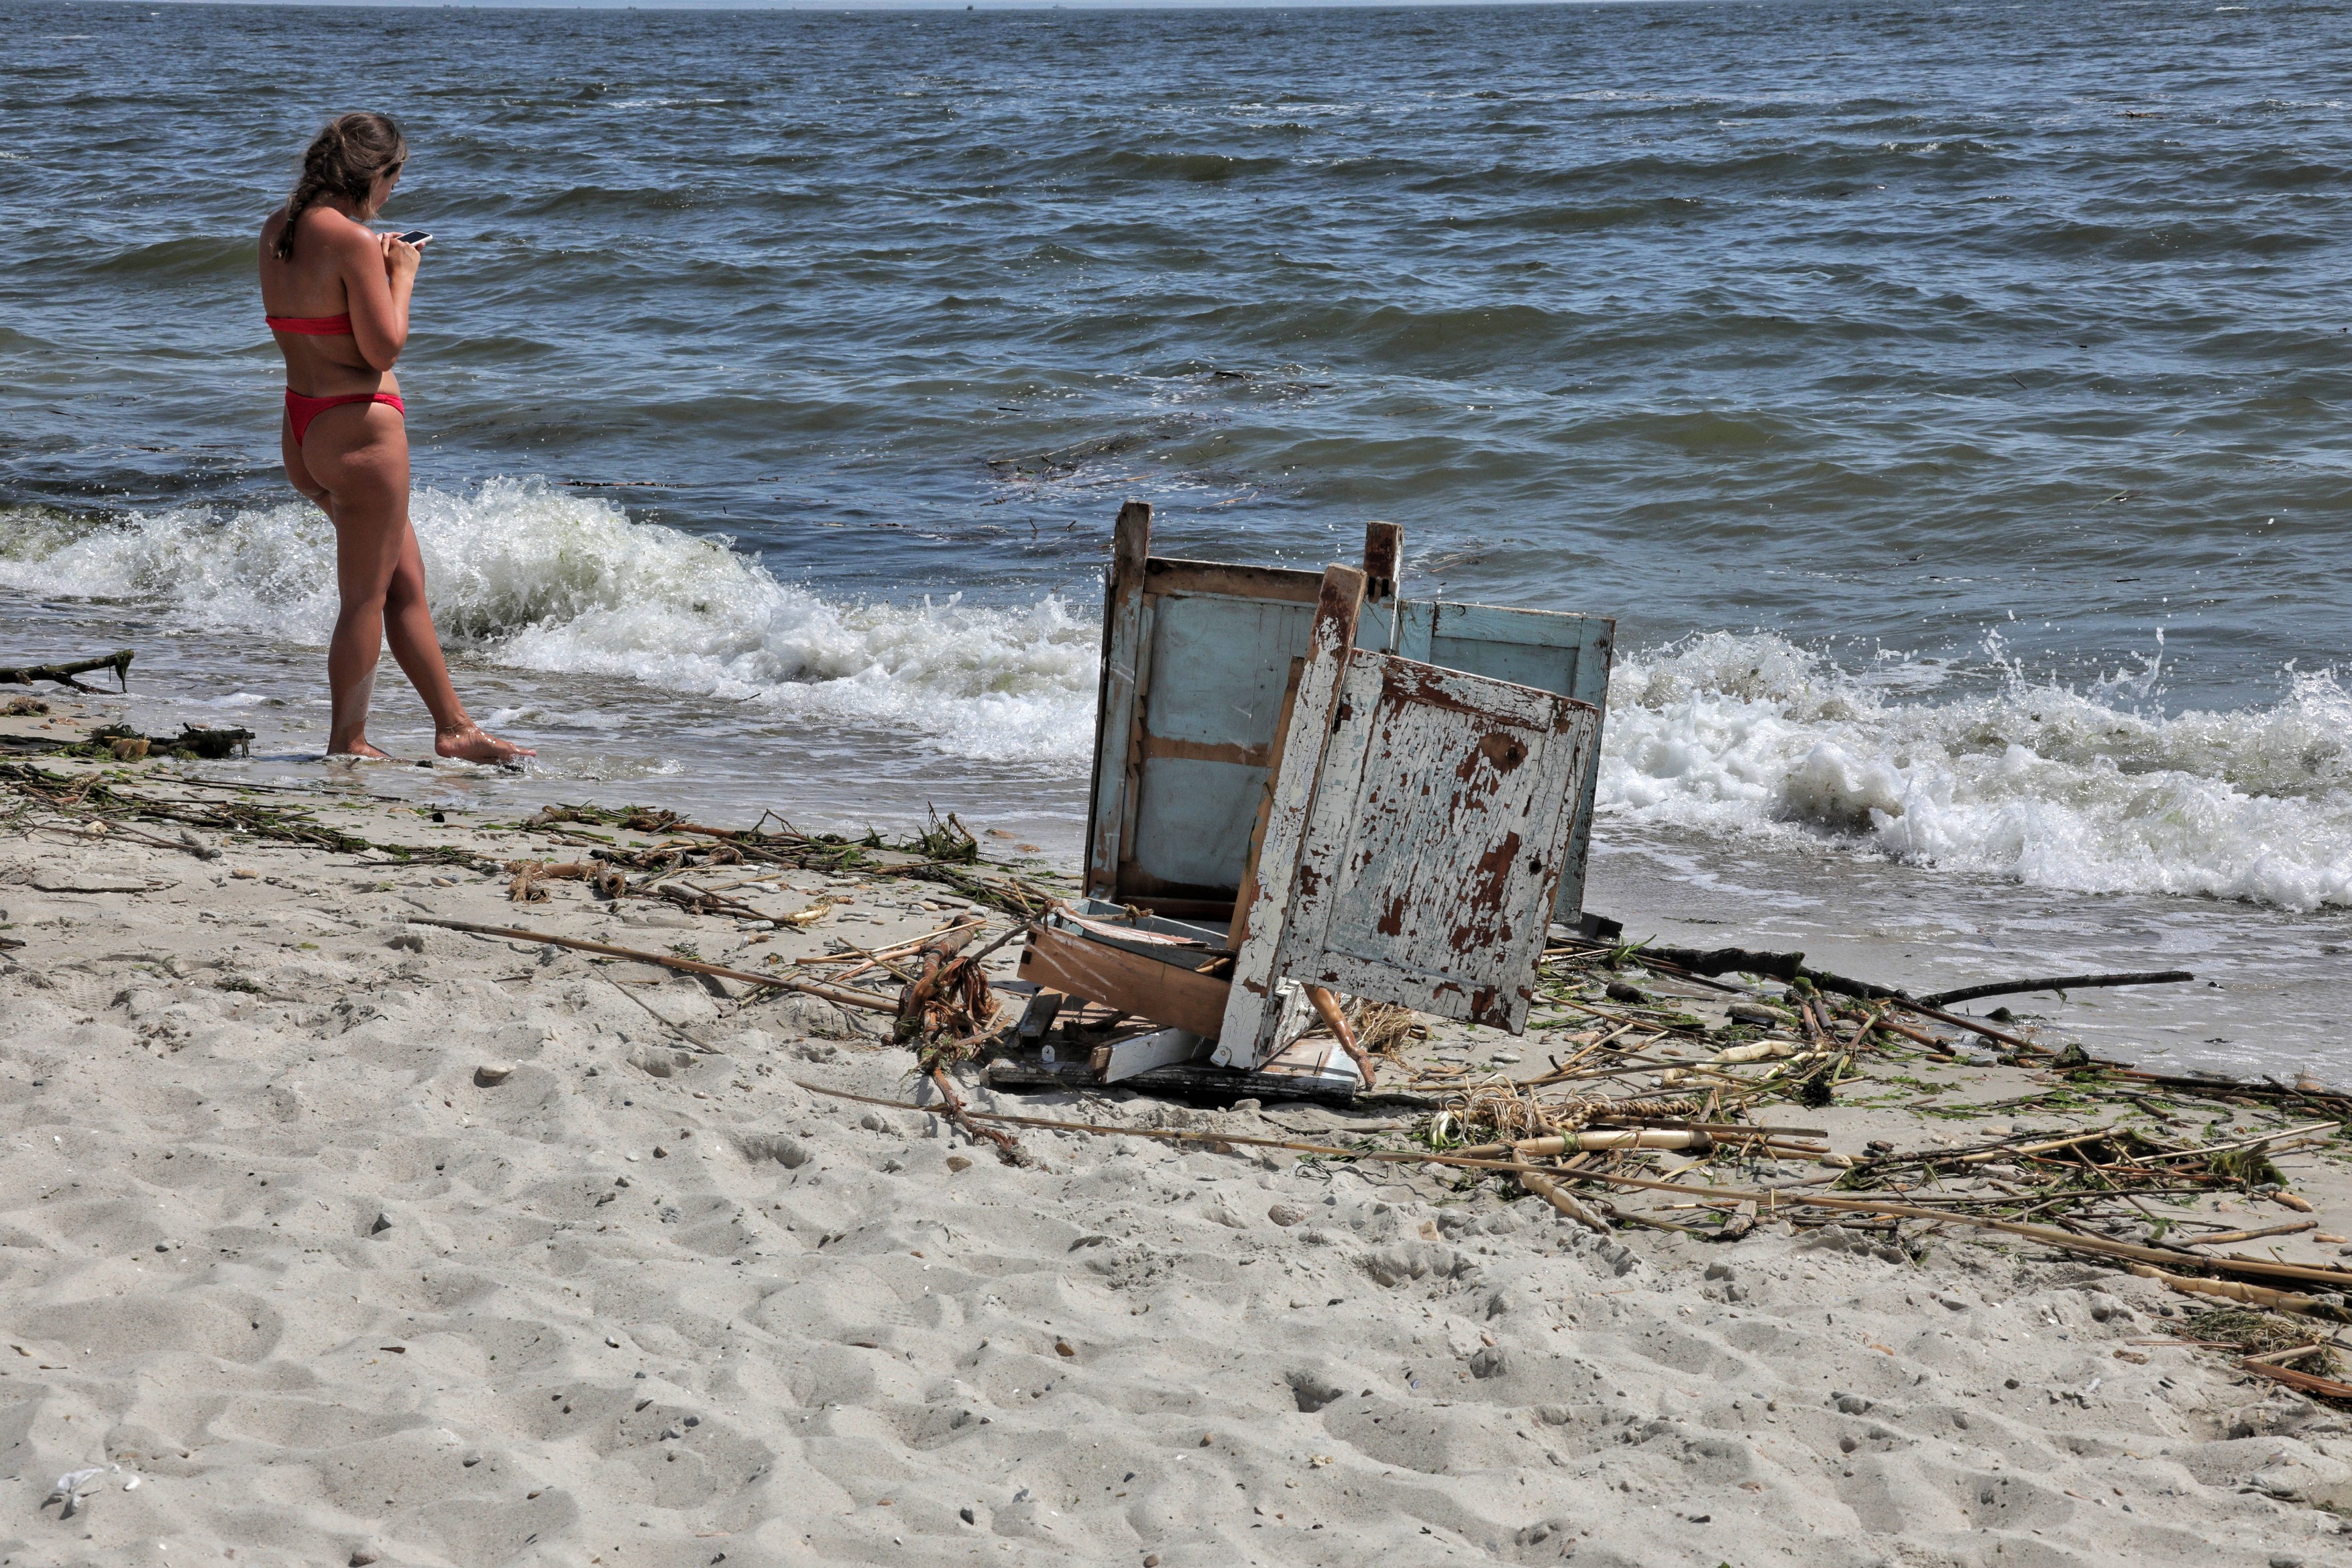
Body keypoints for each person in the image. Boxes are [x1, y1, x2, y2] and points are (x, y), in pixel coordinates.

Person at [258, 113, 531, 766]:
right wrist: (402, 271)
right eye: (394, 178)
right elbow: (383, 344)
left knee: (402, 584)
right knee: (364, 599)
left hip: (305, 426)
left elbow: (318, 318)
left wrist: (367, 259)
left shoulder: (280, 228)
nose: (393, 192)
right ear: (374, 174)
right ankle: (347, 742)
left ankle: (455, 727)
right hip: (360, 432)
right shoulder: (352, 241)